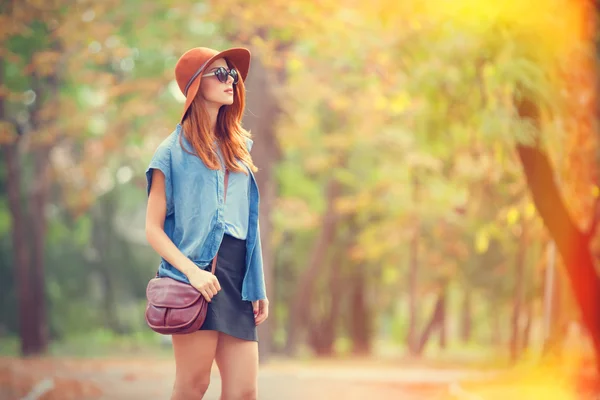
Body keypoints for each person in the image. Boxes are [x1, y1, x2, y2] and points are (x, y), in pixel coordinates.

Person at [145, 46, 269, 400]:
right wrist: (192, 273)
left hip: (237, 280)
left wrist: (256, 284)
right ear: (197, 85)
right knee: (193, 385)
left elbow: (249, 223)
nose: (230, 80)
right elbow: (153, 228)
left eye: (231, 73)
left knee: (244, 391)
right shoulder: (170, 152)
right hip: (194, 279)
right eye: (219, 73)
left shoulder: (237, 150)